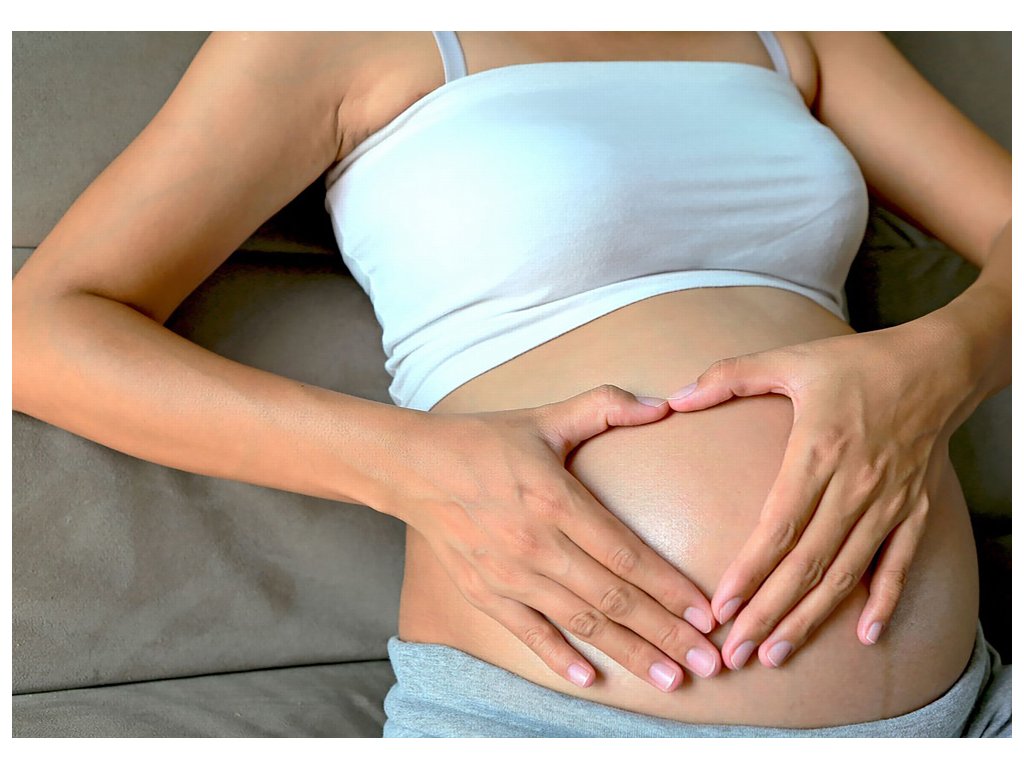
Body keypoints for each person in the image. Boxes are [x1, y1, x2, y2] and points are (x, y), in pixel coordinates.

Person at [11, 31, 1011, 737]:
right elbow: (39, 333)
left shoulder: (795, 27)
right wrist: (411, 467)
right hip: (550, 720)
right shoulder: (325, 32)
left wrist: (941, 364)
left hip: (967, 713)